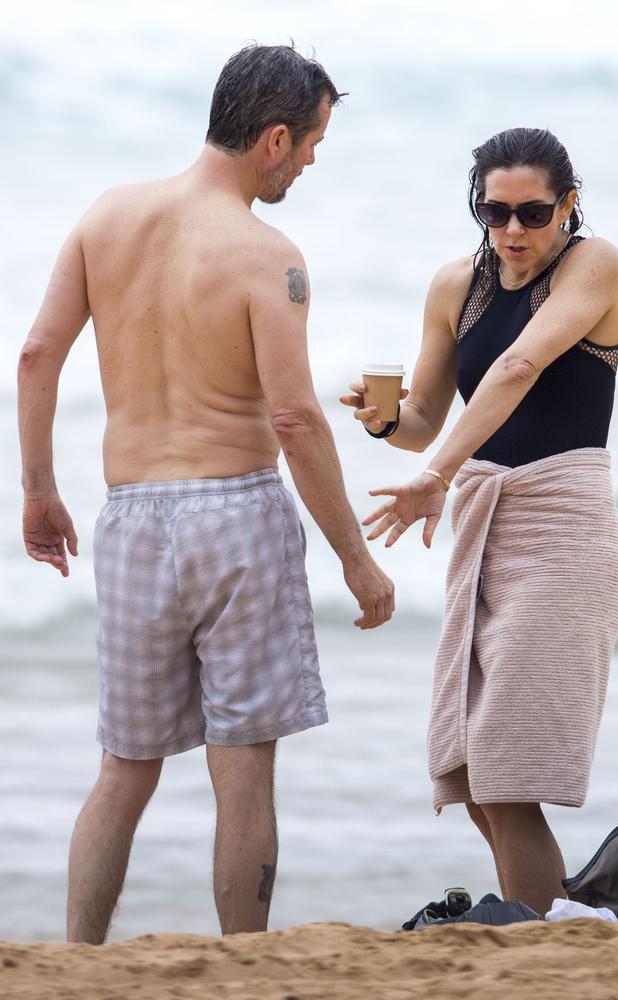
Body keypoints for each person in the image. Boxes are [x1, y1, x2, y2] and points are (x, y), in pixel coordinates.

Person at [17, 43, 394, 943]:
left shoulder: (105, 218)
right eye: (309, 144)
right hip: (237, 513)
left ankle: (76, 960)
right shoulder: (266, 256)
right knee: (242, 767)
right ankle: (247, 963)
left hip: (132, 516)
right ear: (272, 139)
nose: (309, 161)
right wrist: (357, 559)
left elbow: (36, 353)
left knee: (124, 766)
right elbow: (296, 420)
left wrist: (38, 490)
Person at [341, 127, 618, 915]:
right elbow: (426, 418)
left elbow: (518, 368)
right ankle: (538, 924)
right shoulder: (453, 287)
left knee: (509, 769)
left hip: (562, 527)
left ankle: (541, 934)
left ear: (568, 203)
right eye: (493, 212)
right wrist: (382, 422)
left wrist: (432, 476)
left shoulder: (594, 264)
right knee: (472, 771)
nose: (512, 231)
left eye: (533, 212)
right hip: (483, 525)